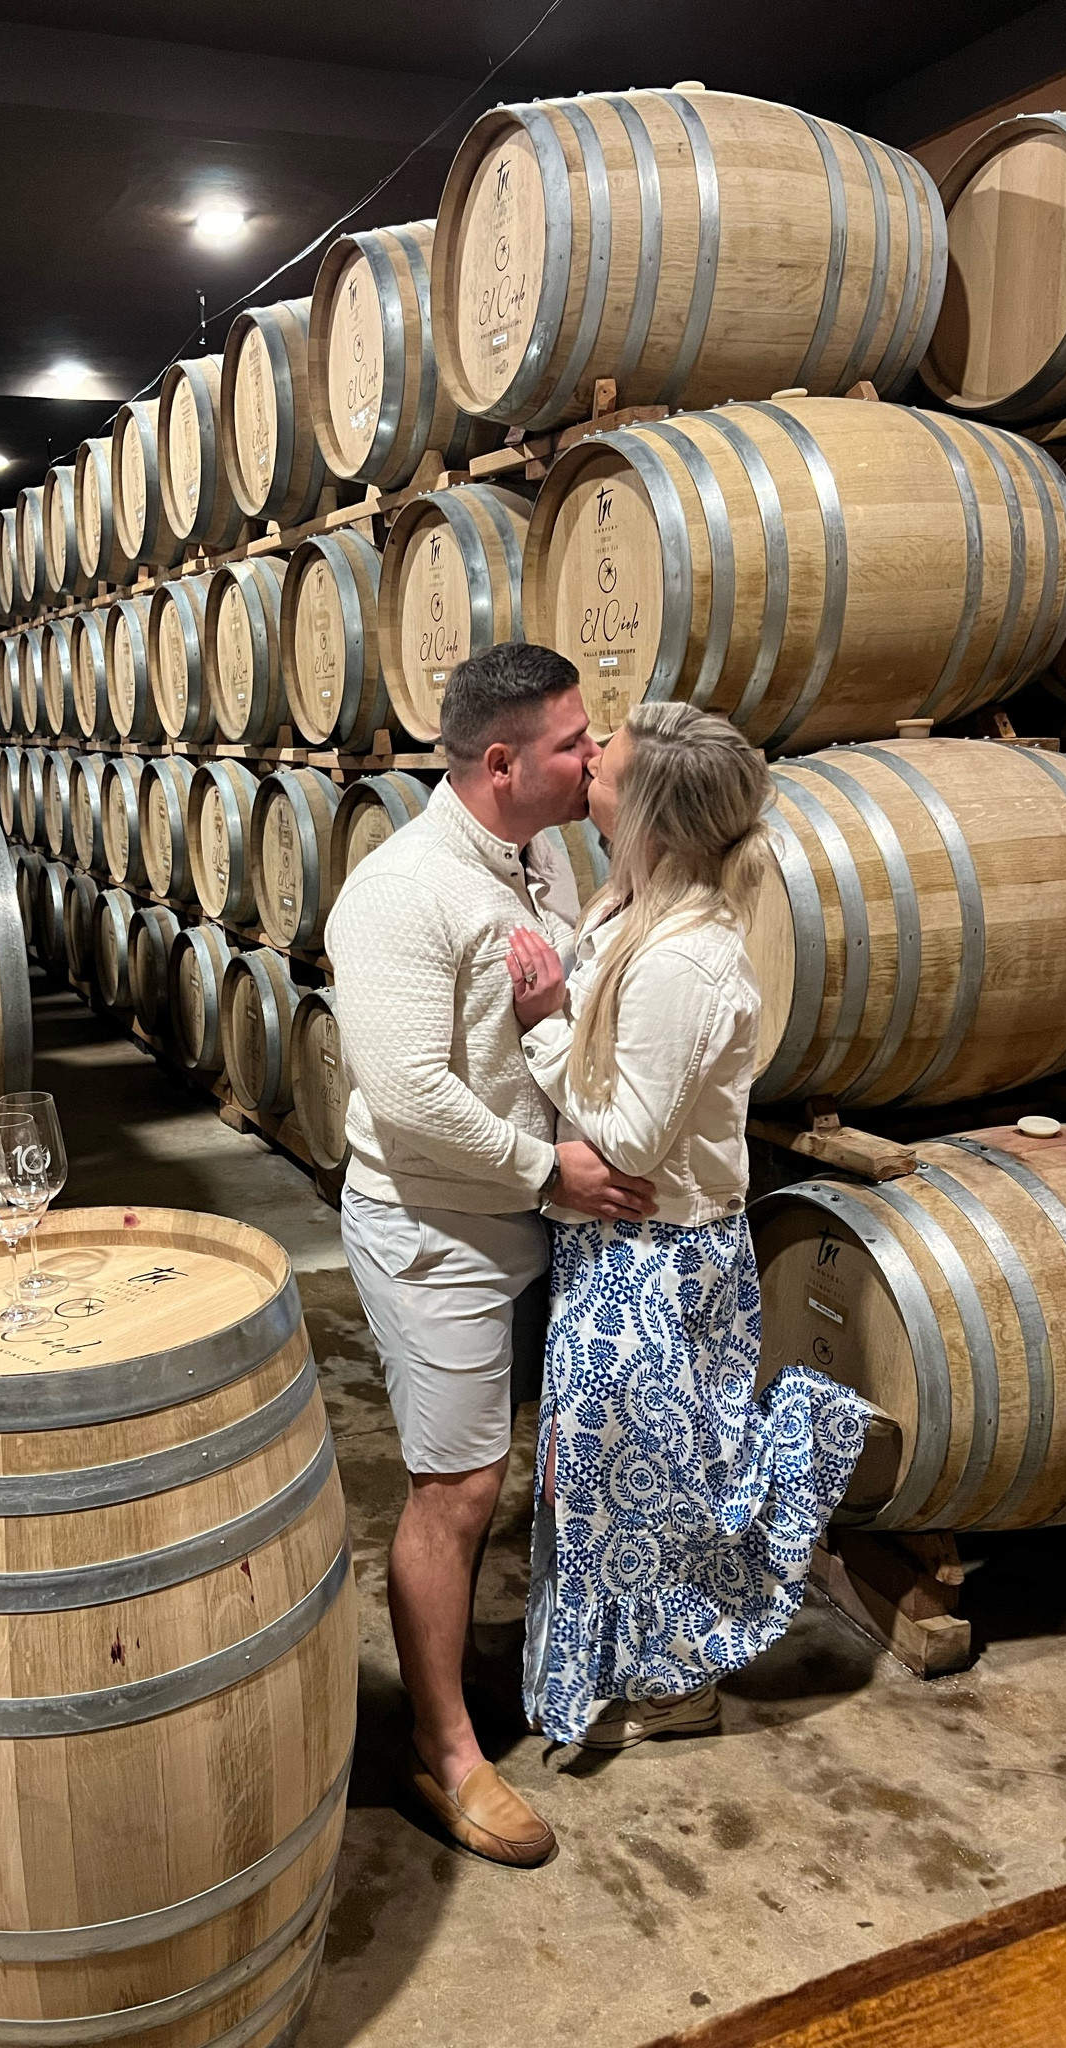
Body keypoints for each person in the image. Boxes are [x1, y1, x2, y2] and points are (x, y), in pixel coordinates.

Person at [327, 643, 657, 1868]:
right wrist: (548, 1168)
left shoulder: (541, 852)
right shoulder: (402, 892)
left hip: (534, 1215)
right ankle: (445, 1749)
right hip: (438, 1229)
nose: (597, 758)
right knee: (456, 1488)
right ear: (503, 759)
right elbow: (406, 1091)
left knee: (528, 1459)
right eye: (576, 742)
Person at [507, 701, 874, 1753]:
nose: (588, 777)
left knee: (651, 1485)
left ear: (654, 815)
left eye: (606, 771)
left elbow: (626, 1139)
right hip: (621, 1248)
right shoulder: (635, 911)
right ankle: (635, 1666)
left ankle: (678, 1684)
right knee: (614, 1476)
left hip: (657, 1260)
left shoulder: (684, 960)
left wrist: (540, 1029)